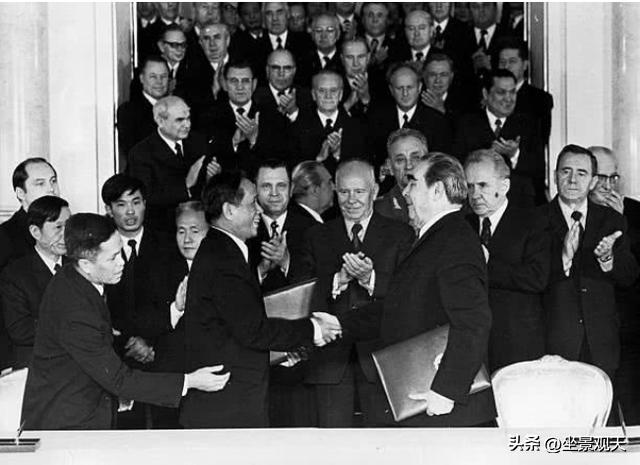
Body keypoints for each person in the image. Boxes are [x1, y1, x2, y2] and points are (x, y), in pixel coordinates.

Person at [316, 153, 496, 427]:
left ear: (437, 190)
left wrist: (447, 390)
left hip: (445, 409)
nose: (405, 192)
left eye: (413, 183)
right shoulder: (437, 237)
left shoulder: (454, 240)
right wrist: (340, 324)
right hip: (428, 403)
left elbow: (473, 321)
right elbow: (399, 308)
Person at [21, 213, 231, 430]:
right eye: (112, 258)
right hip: (68, 424)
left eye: (120, 252)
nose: (122, 263)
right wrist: (190, 381)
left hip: (82, 411)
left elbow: (115, 330)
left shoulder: (77, 278)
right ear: (86, 264)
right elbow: (119, 379)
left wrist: (175, 309)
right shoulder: (75, 310)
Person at [180, 171, 340, 428]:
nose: (259, 210)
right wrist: (314, 329)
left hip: (230, 400)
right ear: (229, 211)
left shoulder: (222, 251)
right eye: (253, 202)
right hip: (228, 406)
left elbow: (235, 325)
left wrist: (284, 348)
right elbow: (253, 330)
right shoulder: (224, 259)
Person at [293, 159, 414, 427]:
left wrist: (370, 279)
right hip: (330, 363)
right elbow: (301, 294)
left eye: (359, 191)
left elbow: (409, 294)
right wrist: (339, 280)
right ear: (335, 191)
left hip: (382, 360)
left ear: (374, 190)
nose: (351, 200)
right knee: (332, 443)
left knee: (383, 442)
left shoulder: (400, 234)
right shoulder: (316, 235)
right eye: (344, 192)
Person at [540, 145, 639, 380]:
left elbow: (629, 275)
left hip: (601, 343)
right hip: (552, 341)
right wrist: (564, 257)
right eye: (566, 171)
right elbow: (531, 279)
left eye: (582, 173)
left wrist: (607, 258)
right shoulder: (535, 219)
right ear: (555, 176)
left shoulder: (613, 219)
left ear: (591, 180)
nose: (573, 180)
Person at [464, 149, 549, 372]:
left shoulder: (532, 222)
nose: (475, 194)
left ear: (504, 186)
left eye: (483, 185)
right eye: (470, 186)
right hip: (471, 345)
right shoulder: (462, 226)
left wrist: (486, 264)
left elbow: (537, 278)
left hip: (517, 345)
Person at [135, 200, 210, 428]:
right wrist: (175, 309)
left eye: (195, 231)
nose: (187, 239)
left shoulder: (224, 267)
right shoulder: (156, 269)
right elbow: (142, 319)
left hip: (212, 377)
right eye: (181, 231)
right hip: (171, 378)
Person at [587, 146, 640, 424]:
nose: (608, 186)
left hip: (630, 332)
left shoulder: (635, 212)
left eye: (613, 178)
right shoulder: (575, 212)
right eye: (601, 178)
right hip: (590, 332)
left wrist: (622, 223)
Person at [453, 69, 545, 207]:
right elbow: (457, 166)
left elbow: (538, 169)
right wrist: (487, 154)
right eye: (501, 92)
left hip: (518, 203)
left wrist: (514, 155)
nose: (508, 98)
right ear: (486, 93)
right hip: (477, 202)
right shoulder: (466, 123)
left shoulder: (528, 124)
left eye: (512, 92)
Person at [128, 95, 218, 234]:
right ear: (160, 121)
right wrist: (186, 185)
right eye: (180, 120)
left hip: (199, 225)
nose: (187, 125)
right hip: (162, 229)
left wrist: (212, 178)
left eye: (188, 118)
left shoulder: (199, 142)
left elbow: (207, 191)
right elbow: (146, 197)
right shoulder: (141, 153)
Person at [0, 196, 70, 369]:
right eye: (58, 227)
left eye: (69, 225)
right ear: (35, 232)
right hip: (38, 364)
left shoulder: (80, 265)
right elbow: (21, 329)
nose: (66, 234)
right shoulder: (15, 274)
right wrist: (75, 327)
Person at [366, 63, 452, 183]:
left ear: (419, 87)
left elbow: (442, 165)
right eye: (399, 88)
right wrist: (383, 172)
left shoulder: (437, 122)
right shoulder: (376, 120)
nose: (405, 93)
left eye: (409, 87)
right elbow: (371, 160)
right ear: (391, 90)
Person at [289, 70, 366, 173]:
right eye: (322, 91)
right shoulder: (298, 128)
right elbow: (295, 172)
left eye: (333, 90)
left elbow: (361, 170)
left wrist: (337, 155)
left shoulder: (357, 128)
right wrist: (319, 158)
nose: (328, 96)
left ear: (340, 94)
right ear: (313, 94)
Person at [0, 158, 60, 270]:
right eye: (40, 183)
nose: (51, 189)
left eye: (53, 181)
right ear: (21, 193)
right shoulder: (5, 236)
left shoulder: (69, 226)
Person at [497, 38, 554, 145]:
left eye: (512, 61)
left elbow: (540, 142)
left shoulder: (540, 99)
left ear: (525, 65)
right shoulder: (488, 96)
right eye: (502, 62)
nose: (506, 66)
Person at [117, 56, 169, 160]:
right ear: (142, 78)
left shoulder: (178, 108)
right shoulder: (129, 111)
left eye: (163, 76)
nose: (159, 82)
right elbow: (133, 152)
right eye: (153, 77)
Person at [374, 128, 428, 225]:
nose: (409, 166)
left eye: (415, 157)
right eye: (400, 160)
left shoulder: (445, 202)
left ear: (428, 161)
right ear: (390, 167)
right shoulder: (378, 211)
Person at [297, 13, 344, 86]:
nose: (324, 36)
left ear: (338, 34)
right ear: (312, 35)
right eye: (319, 30)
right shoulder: (302, 61)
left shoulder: (345, 59)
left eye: (329, 30)